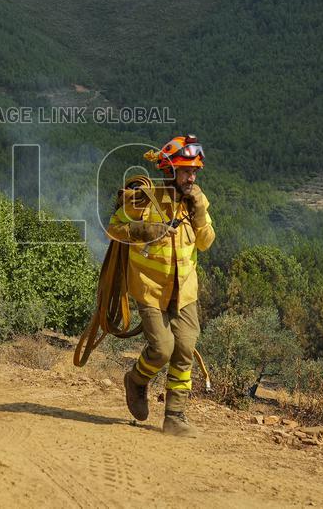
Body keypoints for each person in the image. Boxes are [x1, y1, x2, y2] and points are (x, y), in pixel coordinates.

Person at [105, 135, 216, 437]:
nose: (191, 178)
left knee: (185, 348)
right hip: (150, 289)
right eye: (184, 171)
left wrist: (201, 212)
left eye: (194, 172)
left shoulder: (197, 201)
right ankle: (137, 381)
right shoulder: (145, 197)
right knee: (163, 348)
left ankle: (175, 417)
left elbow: (205, 243)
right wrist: (145, 229)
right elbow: (114, 228)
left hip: (185, 291)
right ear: (169, 171)